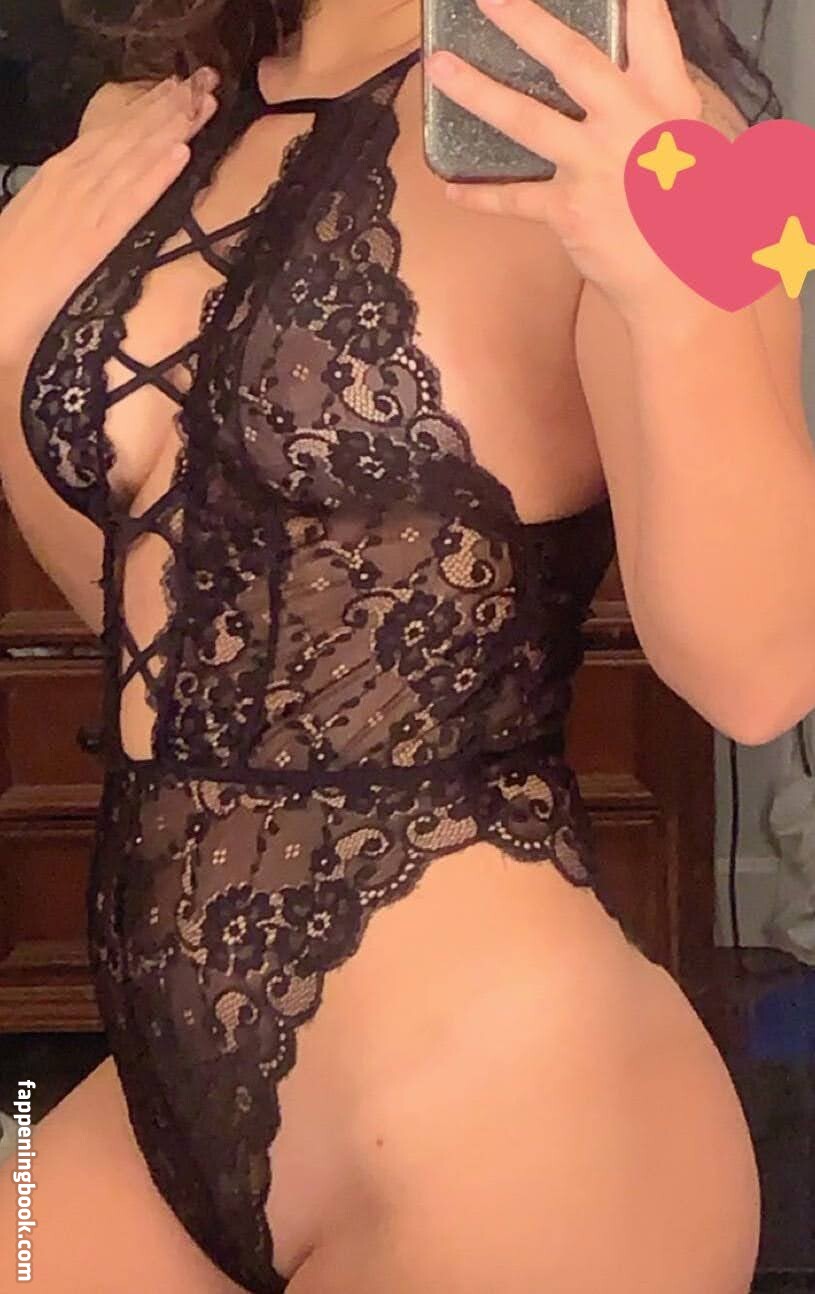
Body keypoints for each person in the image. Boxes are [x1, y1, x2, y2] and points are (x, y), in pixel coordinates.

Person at [0, 0, 809, 1289]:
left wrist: (678, 301)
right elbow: (161, 620)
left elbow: (759, 675)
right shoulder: (148, 124)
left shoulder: (625, 125)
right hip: (160, 1107)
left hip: (509, 1122)